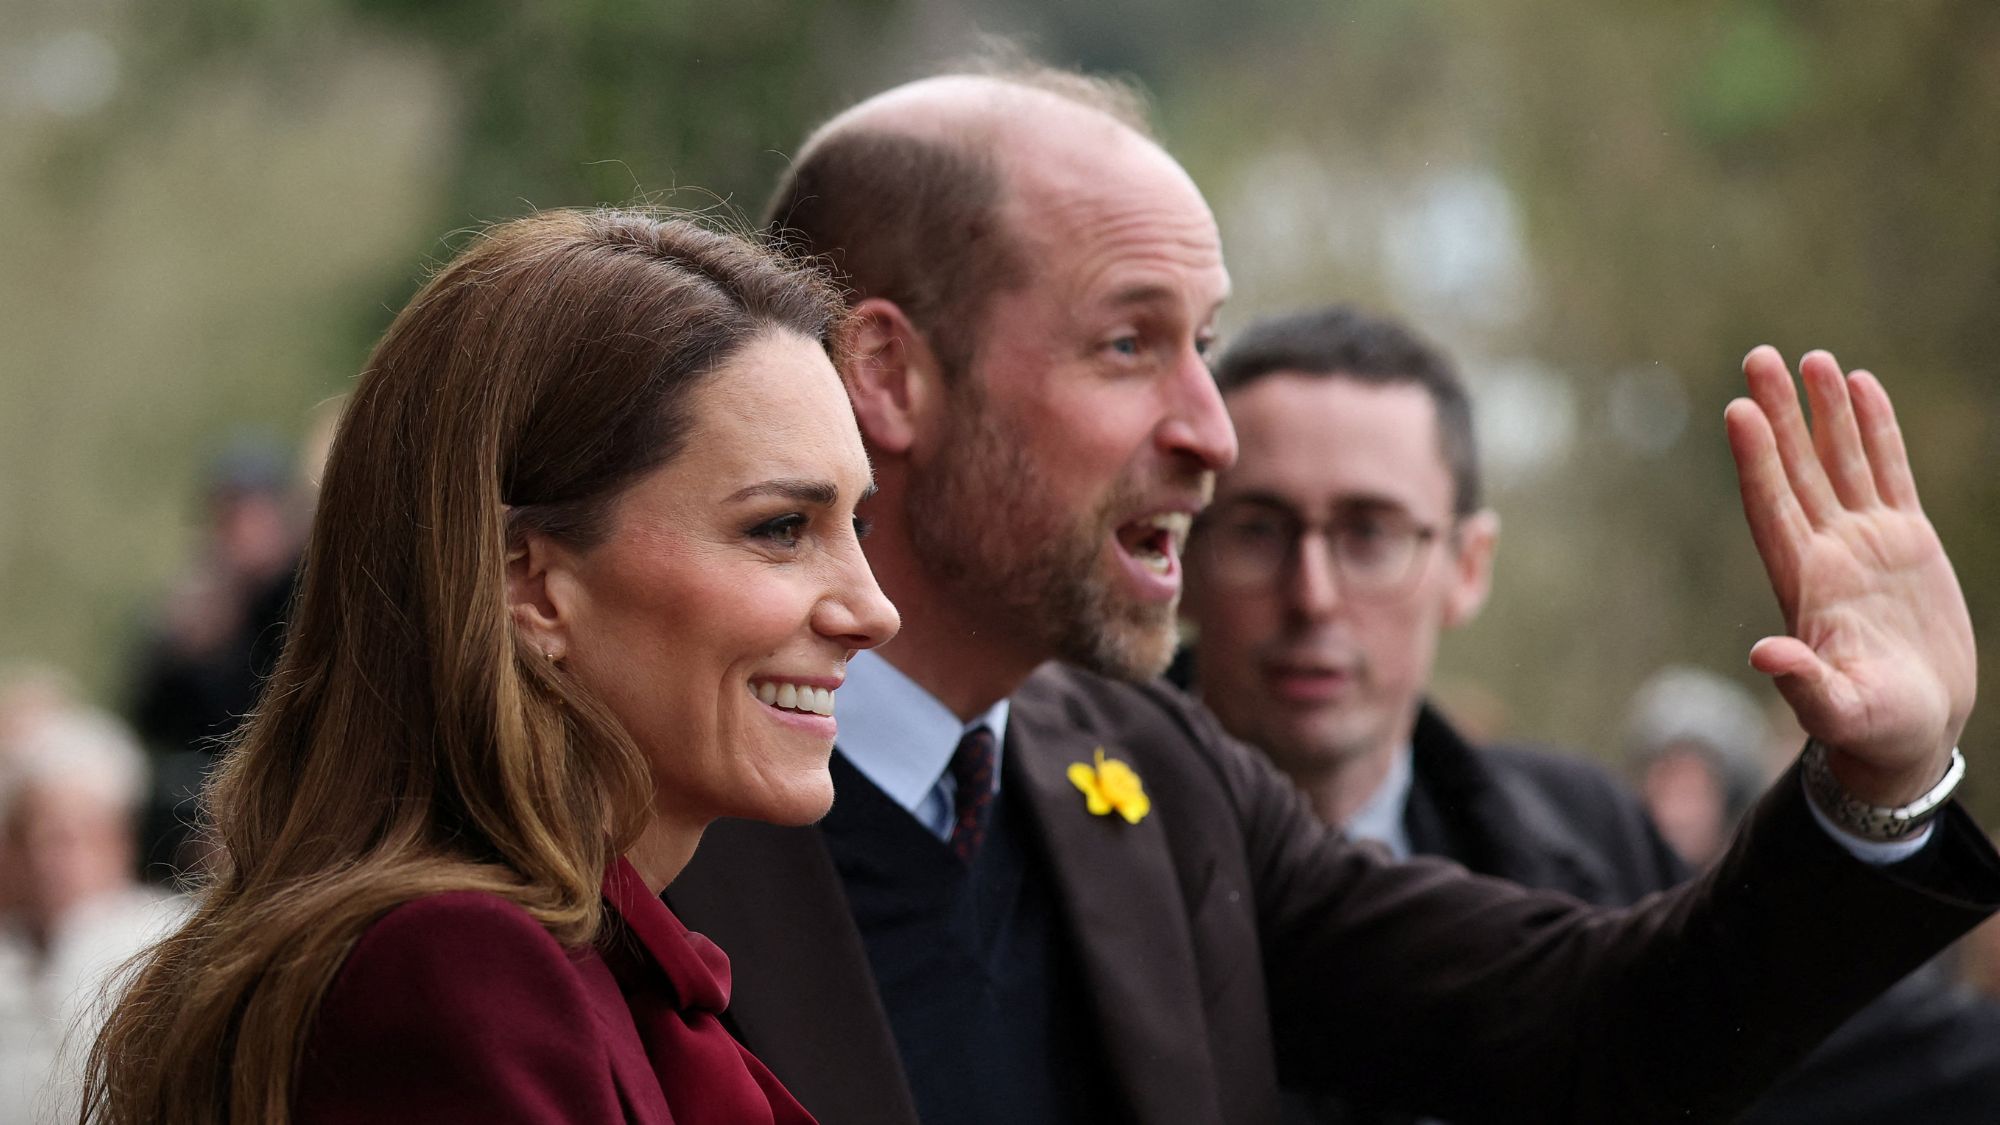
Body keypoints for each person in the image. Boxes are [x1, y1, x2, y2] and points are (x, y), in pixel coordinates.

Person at [667, 65, 1999, 1125]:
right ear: (887, 377)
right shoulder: (616, 813)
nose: (1211, 433)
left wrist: (1873, 791)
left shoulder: (1156, 775)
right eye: (1128, 343)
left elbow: (1593, 1029)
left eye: (1205, 345)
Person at [81, 209, 899, 1124]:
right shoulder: (453, 975)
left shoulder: (580, 964)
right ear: (530, 582)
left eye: (857, 526)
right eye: (781, 528)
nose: (873, 611)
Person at [1179, 304, 2000, 1124]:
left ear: (1469, 566)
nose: (1314, 595)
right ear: (1179, 550)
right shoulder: (1113, 862)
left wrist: (1880, 786)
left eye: (1371, 532)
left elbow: (1839, 1050)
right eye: (1258, 530)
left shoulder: (1586, 836)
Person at [0, 703, 184, 1123]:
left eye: (70, 837)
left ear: (119, 839)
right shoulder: (11, 946)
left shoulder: (168, 939)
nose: (49, 860)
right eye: (33, 837)